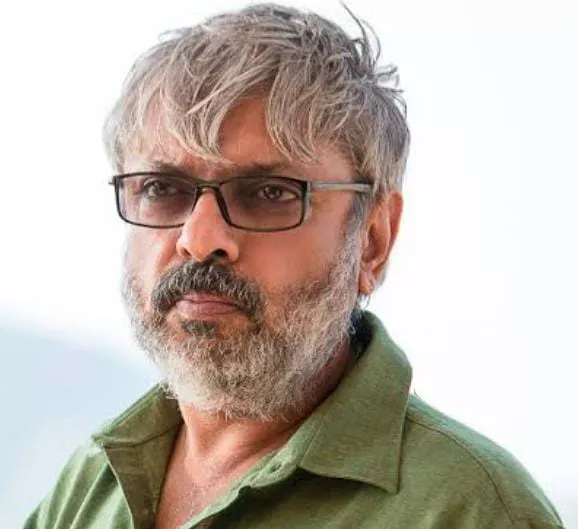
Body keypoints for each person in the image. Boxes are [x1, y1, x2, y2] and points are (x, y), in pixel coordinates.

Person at [24, 3, 565, 529]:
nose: (199, 239)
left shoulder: (471, 512)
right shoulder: (90, 484)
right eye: (162, 189)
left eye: (268, 193)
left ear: (373, 239)